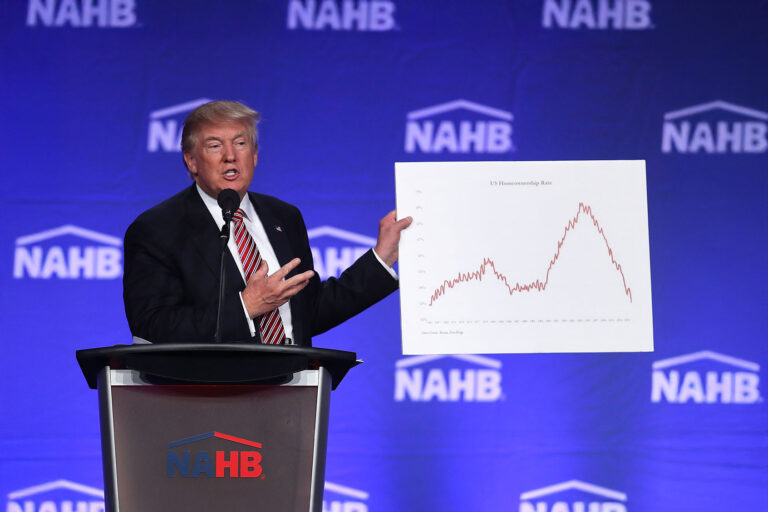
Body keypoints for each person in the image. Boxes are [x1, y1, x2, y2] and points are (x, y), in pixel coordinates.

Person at [123, 100, 411, 346]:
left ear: (255, 155)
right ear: (191, 161)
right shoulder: (157, 229)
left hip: (294, 390)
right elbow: (152, 325)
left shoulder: (284, 217)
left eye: (240, 143)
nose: (230, 156)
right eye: (214, 146)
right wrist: (245, 307)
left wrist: (381, 258)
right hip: (209, 396)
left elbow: (308, 312)